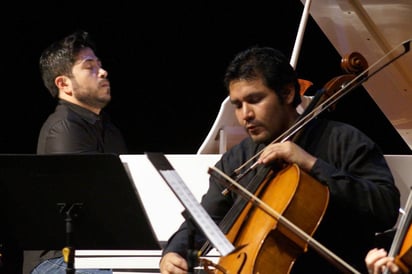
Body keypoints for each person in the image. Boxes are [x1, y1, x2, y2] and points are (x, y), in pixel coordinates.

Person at [159, 46, 401, 273]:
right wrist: (174, 252)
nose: (246, 115)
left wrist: (311, 164)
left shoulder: (342, 140)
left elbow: (385, 207)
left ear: (287, 93)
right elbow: (206, 219)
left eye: (254, 100)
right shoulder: (239, 158)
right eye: (238, 105)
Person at [27, 30, 128, 274]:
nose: (102, 72)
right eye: (89, 67)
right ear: (64, 84)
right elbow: (95, 207)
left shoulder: (110, 130)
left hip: (100, 253)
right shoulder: (64, 128)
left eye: (100, 65)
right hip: (58, 260)